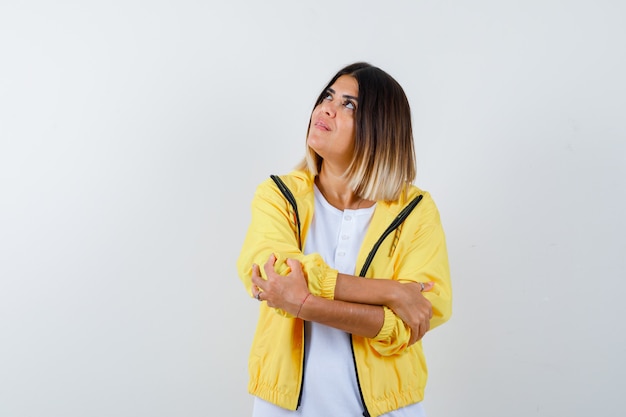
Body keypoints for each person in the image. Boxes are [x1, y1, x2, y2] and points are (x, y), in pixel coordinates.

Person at [237, 62, 452, 417]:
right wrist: (391, 291)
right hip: (284, 408)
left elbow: (411, 321)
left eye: (348, 104)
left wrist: (304, 304)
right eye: (328, 96)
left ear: (379, 129)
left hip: (388, 409)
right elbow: (272, 274)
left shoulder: (415, 211)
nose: (326, 108)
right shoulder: (278, 195)